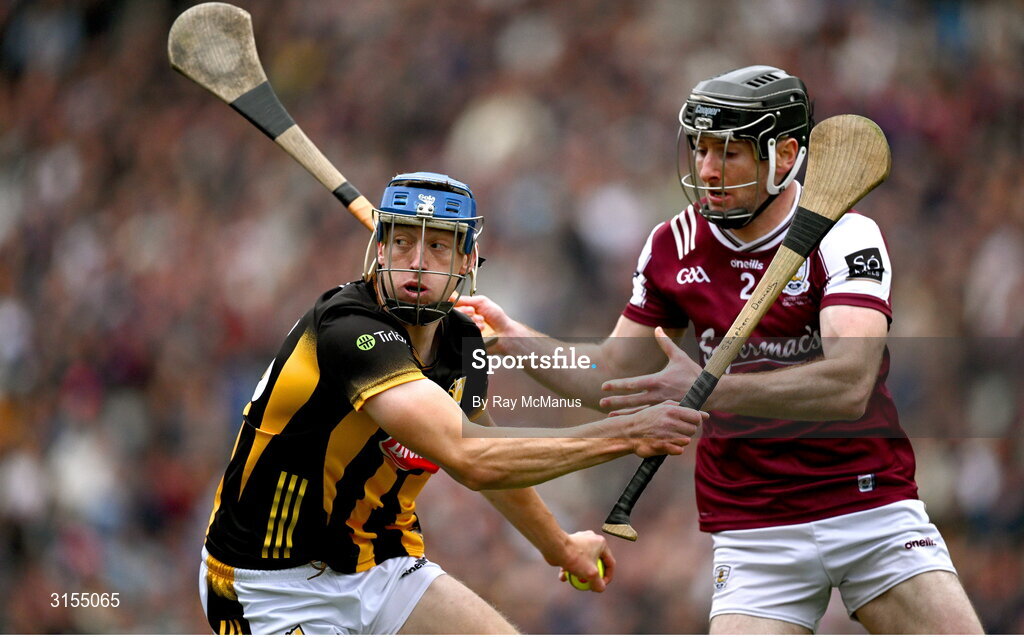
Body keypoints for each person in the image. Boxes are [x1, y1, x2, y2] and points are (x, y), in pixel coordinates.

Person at [459, 66, 984, 634]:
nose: (707, 170)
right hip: (753, 525)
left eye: (729, 153)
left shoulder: (844, 234)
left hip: (868, 505)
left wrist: (707, 391)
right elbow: (610, 376)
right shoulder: (672, 245)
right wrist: (512, 338)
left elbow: (849, 383)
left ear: (783, 157)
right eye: (701, 149)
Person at [199, 171, 703, 635]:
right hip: (267, 583)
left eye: (438, 247)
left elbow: (496, 453)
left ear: (466, 264)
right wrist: (627, 434)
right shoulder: (349, 331)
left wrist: (560, 546)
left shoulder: (461, 340)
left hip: (383, 565)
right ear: (379, 252)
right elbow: (470, 456)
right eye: (403, 242)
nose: (417, 261)